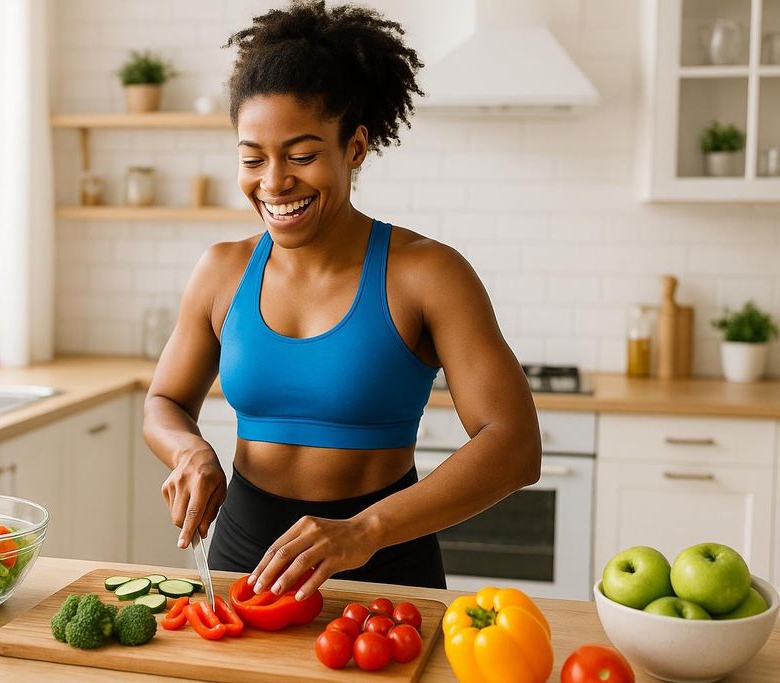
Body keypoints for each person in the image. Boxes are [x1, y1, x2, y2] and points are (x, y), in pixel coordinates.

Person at [143, 0, 541, 600]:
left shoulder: (427, 273)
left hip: (385, 567)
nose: (273, 183)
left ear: (354, 147)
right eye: (253, 159)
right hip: (240, 566)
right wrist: (190, 451)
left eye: (301, 156)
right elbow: (164, 401)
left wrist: (367, 529)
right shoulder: (221, 270)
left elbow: (514, 446)